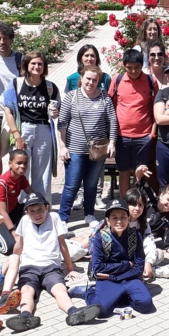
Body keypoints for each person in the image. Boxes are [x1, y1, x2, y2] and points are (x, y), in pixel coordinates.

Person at [7, 193, 102, 332]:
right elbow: (19, 245)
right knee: (26, 290)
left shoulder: (54, 217)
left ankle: (74, 312)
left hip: (51, 267)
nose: (37, 214)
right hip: (29, 267)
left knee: (60, 289)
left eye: (40, 209)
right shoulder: (24, 220)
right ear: (26, 212)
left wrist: (70, 268)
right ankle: (25, 316)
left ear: (47, 207)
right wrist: (12, 263)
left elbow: (62, 244)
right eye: (32, 211)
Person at [57, 65, 118, 225]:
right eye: (88, 79)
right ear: (82, 78)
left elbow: (112, 121)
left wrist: (112, 142)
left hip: (98, 150)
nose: (91, 82)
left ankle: (89, 214)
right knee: (72, 185)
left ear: (99, 81)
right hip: (75, 149)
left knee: (91, 184)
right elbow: (62, 123)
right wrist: (62, 146)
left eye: (94, 80)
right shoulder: (71, 96)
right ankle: (63, 218)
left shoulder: (104, 97)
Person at [3, 51, 60, 205]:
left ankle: (41, 205)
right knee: (20, 169)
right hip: (23, 129)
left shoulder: (50, 87)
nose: (36, 66)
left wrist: (55, 113)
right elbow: (8, 111)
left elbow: (56, 111)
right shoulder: (16, 84)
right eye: (33, 63)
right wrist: (17, 135)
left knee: (42, 172)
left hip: (43, 130)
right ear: (26, 65)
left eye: (40, 64)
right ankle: (19, 205)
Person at [84, 200, 157, 317]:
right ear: (108, 220)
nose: (119, 221)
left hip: (127, 278)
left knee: (146, 304)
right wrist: (127, 264)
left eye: (123, 217)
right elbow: (98, 268)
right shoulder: (100, 237)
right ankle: (89, 292)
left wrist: (113, 276)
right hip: (107, 280)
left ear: (128, 218)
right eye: (114, 218)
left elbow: (139, 268)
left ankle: (117, 297)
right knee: (101, 311)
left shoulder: (135, 236)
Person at [110, 48, 158, 197]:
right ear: (124, 66)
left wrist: (151, 133)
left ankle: (137, 204)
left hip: (143, 137)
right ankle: (124, 205)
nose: (133, 71)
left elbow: (156, 107)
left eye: (137, 67)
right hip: (121, 135)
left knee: (140, 172)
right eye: (129, 67)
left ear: (142, 65)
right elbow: (111, 106)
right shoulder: (117, 80)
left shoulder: (150, 81)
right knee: (124, 172)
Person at [124, 186, 169, 280]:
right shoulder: (120, 222)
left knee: (159, 253)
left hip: (137, 255)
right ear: (126, 204)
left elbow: (149, 241)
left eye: (140, 205)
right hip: (122, 258)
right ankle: (150, 271)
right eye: (133, 204)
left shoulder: (143, 223)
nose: (137, 208)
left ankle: (146, 269)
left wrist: (149, 262)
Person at [0, 24, 23, 145]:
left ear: (11, 40)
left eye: (5, 39)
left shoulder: (20, 59)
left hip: (14, 113)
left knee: (15, 150)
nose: (2, 42)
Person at [0, 149, 34, 241]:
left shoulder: (21, 178)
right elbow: (2, 212)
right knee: (10, 246)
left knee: (34, 205)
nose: (23, 166)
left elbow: (32, 195)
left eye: (25, 163)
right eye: (19, 163)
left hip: (13, 211)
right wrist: (14, 233)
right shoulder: (1, 184)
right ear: (10, 164)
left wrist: (43, 205)